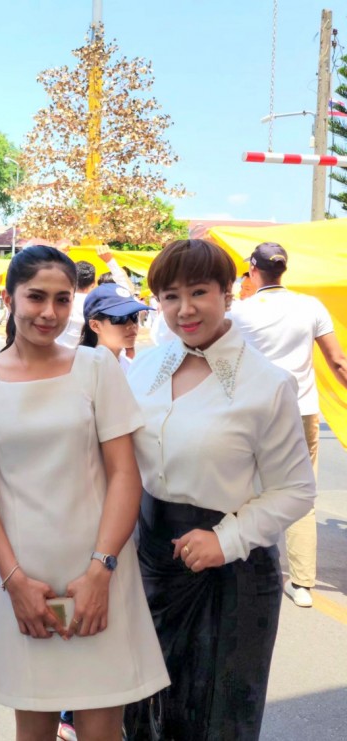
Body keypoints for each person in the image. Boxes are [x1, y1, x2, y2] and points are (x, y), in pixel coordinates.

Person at [0, 246, 169, 741]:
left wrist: (101, 572)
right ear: (9, 299)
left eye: (62, 299)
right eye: (36, 297)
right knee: (32, 730)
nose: (49, 312)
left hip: (101, 574)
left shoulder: (96, 367)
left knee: (102, 730)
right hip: (23, 579)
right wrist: (14, 581)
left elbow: (125, 474)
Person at [125, 239, 316, 740]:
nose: (184, 309)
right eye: (170, 296)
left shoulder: (266, 384)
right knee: (142, 714)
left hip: (231, 577)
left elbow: (296, 489)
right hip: (149, 566)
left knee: (215, 719)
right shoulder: (144, 369)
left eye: (199, 292)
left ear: (228, 293)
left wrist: (225, 540)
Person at [231, 241, 347, 608]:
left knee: (246, 492)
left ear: (253, 269)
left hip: (254, 412)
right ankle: (301, 583)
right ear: (284, 269)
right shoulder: (310, 306)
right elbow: (338, 361)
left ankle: (245, 572)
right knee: (302, 495)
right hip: (302, 410)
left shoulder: (240, 312)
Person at [80, 284, 152, 374]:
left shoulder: (130, 367)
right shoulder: (81, 370)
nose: (132, 325)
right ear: (95, 326)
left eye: (134, 315)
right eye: (120, 318)